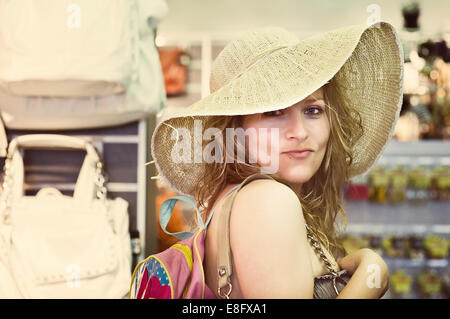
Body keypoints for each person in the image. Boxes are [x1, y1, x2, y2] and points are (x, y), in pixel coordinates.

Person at [151, 22, 403, 298]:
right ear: (236, 129)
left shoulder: (245, 198)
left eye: (313, 110)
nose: (299, 132)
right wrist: (371, 278)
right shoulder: (267, 201)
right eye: (273, 113)